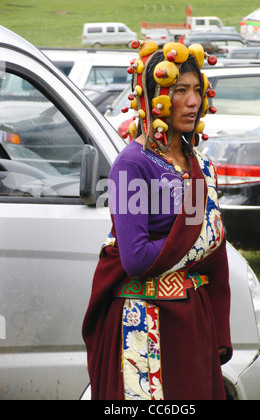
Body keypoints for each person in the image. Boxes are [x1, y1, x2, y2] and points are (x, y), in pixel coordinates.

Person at [82, 40, 232, 400]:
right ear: (154, 100)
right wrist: (195, 251)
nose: (193, 101)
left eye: (197, 90)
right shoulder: (133, 166)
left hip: (191, 322)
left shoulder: (199, 165)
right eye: (180, 91)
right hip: (144, 323)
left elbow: (211, 250)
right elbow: (135, 259)